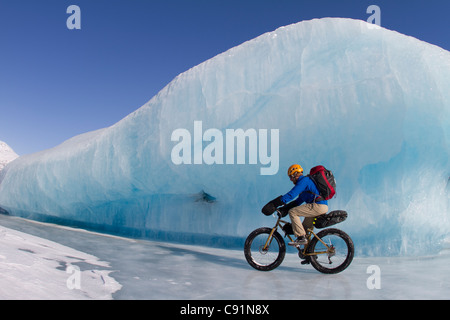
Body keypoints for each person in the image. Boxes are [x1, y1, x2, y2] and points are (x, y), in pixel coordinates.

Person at [262, 164, 328, 247]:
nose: (290, 179)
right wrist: (284, 208)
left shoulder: (304, 181)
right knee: (305, 229)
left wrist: (274, 204)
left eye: (290, 177)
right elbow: (298, 202)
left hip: (318, 206)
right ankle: (309, 255)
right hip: (320, 207)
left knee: (293, 212)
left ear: (295, 174)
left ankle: (301, 238)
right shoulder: (307, 183)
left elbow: (291, 195)